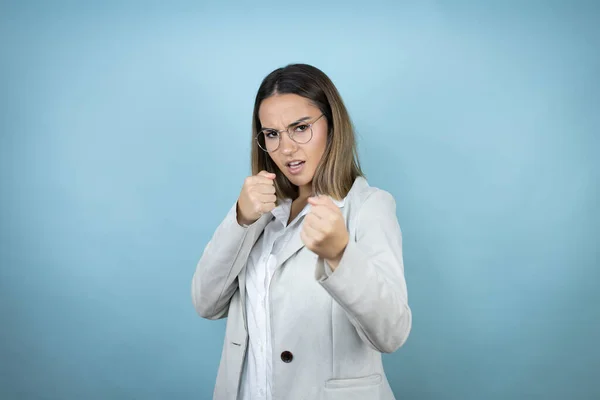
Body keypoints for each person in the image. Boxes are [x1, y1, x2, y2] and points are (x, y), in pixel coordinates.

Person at [191, 63, 412, 400]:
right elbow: (206, 303)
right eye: (272, 134)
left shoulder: (369, 207)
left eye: (300, 127)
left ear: (332, 125)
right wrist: (240, 219)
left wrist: (340, 255)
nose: (286, 148)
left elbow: (391, 333)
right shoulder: (261, 212)